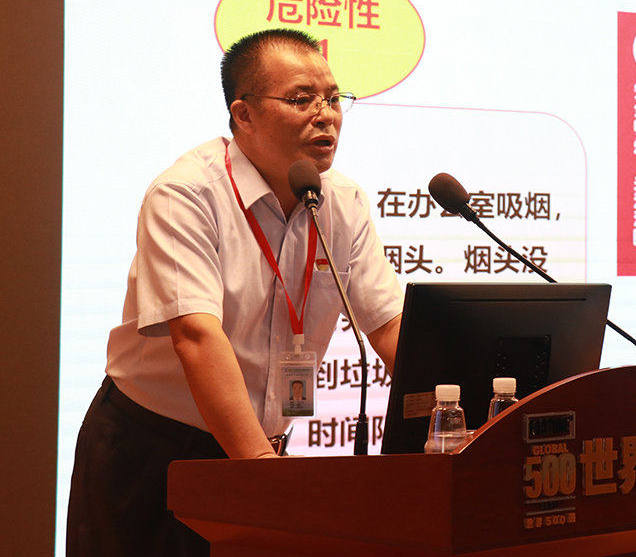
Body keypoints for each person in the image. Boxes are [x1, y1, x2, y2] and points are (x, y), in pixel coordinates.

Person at [66, 28, 404, 556]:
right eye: (302, 99)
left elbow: (388, 325)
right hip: (155, 452)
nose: (326, 115)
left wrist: (465, 413)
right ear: (243, 114)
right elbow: (197, 336)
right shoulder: (187, 194)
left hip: (259, 452)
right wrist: (261, 473)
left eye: (334, 98)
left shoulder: (342, 201)